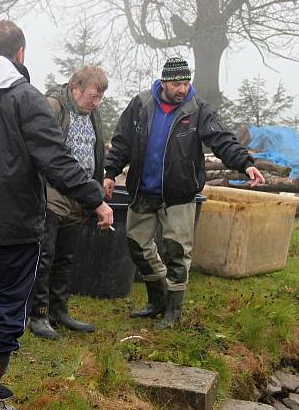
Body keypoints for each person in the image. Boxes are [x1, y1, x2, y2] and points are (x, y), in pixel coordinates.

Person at [0, 20, 114, 410]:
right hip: (16, 226)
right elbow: (56, 159)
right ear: (20, 54)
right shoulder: (26, 99)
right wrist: (95, 198)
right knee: (7, 307)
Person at [103, 57, 265, 329]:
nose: (182, 89)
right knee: (137, 247)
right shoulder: (141, 105)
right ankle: (157, 300)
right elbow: (121, 141)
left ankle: (173, 313)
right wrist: (110, 173)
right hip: (143, 189)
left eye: (185, 83)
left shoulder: (198, 110)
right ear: (163, 82)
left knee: (177, 252)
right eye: (176, 83)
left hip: (179, 195)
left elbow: (222, 140)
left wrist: (245, 164)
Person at [28, 65, 109, 340]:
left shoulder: (92, 113)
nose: (95, 102)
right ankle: (37, 313)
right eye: (92, 96)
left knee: (66, 256)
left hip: (80, 193)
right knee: (45, 255)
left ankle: (58, 310)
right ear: (76, 89)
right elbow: (44, 151)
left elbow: (98, 149)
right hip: (52, 192)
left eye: (99, 98)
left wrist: (97, 185)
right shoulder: (53, 106)